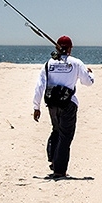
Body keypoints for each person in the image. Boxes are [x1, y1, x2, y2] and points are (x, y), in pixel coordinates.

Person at [32, 35, 94, 179]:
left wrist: (36, 107)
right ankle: (59, 170)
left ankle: (54, 161)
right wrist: (91, 73)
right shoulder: (76, 63)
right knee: (65, 136)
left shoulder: (49, 63)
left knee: (56, 131)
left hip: (52, 104)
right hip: (68, 104)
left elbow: (40, 86)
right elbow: (88, 82)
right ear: (70, 49)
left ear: (57, 48)